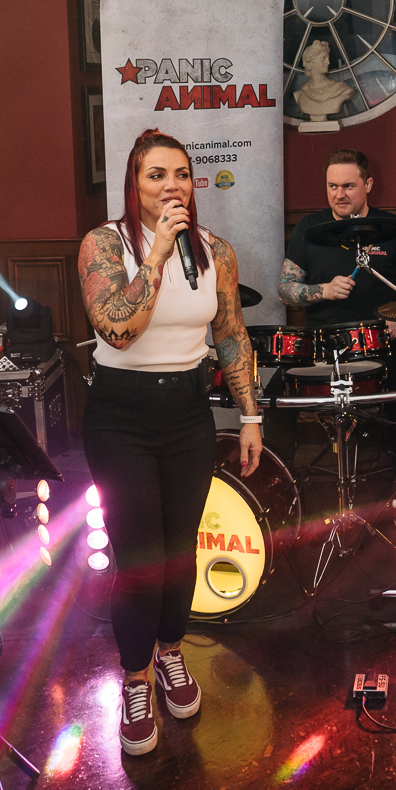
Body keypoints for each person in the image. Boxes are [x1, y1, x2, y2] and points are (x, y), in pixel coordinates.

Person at [78, 128, 260, 757]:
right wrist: (154, 255)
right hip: (120, 414)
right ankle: (135, 679)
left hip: (187, 410)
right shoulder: (104, 245)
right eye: (156, 175)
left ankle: (170, 652)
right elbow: (118, 331)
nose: (171, 185)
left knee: (181, 549)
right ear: (135, 184)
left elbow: (231, 331)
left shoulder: (215, 251)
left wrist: (251, 414)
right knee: (140, 557)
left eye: (180, 174)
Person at [274, 149, 396, 460]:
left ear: (368, 184)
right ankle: (281, 484)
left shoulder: (393, 228)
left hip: (379, 343)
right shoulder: (308, 229)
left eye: (348, 186)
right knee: (273, 400)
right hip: (319, 346)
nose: (339, 195)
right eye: (332, 186)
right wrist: (324, 290)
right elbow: (284, 290)